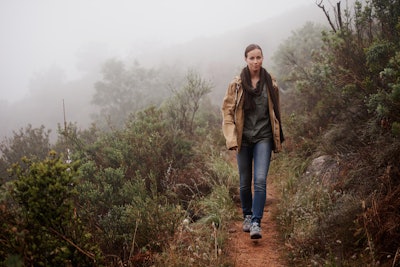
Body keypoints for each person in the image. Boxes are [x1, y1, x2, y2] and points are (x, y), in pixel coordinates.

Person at [221, 44, 284, 239]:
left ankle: (256, 222)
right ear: (246, 59)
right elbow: (227, 112)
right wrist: (231, 137)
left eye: (258, 57)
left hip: (263, 136)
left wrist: (277, 136)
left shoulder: (270, 83)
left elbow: (276, 111)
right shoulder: (237, 85)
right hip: (243, 138)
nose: (255, 61)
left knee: (259, 180)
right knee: (244, 182)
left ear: (263, 58)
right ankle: (247, 216)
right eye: (252, 58)